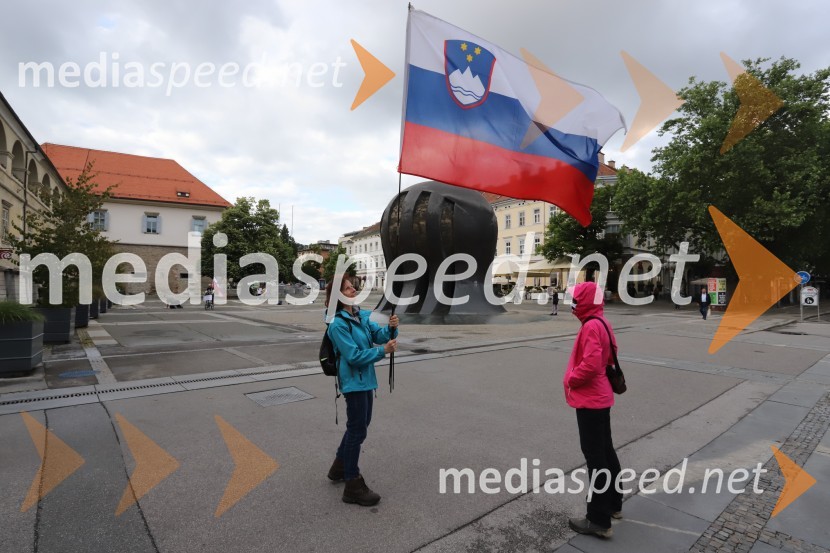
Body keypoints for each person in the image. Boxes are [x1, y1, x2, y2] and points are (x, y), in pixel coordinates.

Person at [324, 277, 398, 506]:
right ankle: (352, 484)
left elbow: (379, 335)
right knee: (357, 430)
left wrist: (392, 327)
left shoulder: (360, 315)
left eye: (352, 285)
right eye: (347, 287)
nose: (352, 288)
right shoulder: (337, 323)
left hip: (366, 380)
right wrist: (382, 352)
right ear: (338, 294)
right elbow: (353, 356)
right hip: (353, 381)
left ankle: (338, 467)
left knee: (360, 426)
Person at [564, 282, 622, 539]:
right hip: (602, 396)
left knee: (595, 458)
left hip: (591, 399)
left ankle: (598, 519)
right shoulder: (603, 322)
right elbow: (611, 355)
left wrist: (571, 379)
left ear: (586, 300)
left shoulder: (590, 326)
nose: (573, 305)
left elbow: (591, 364)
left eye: (576, 300)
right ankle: (613, 504)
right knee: (606, 451)